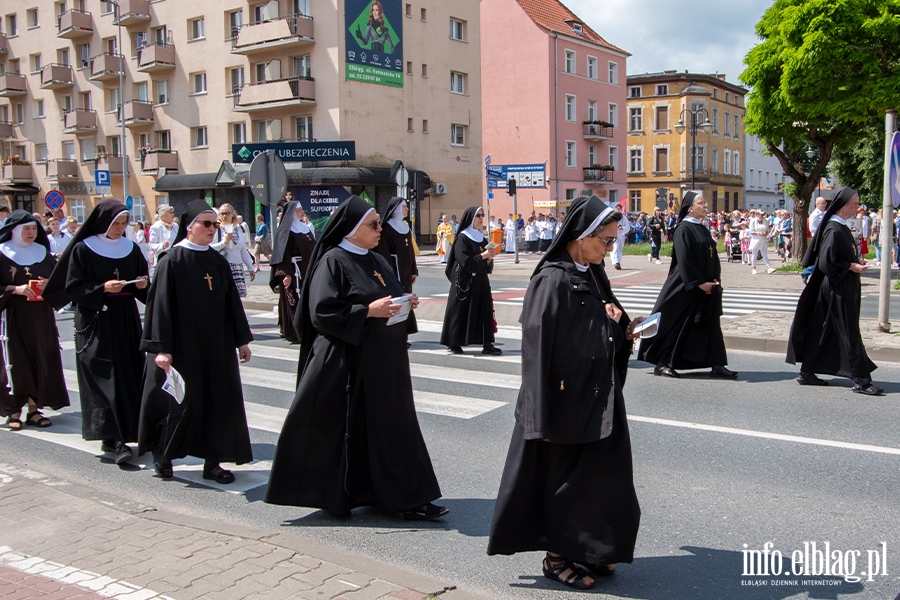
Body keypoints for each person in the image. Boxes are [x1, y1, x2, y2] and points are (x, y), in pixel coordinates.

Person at [488, 196, 642, 590]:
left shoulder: (593, 272)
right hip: (565, 400)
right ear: (581, 235)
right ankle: (556, 558)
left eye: (611, 242)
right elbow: (535, 347)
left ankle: (592, 549)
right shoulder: (551, 279)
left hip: (599, 395)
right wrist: (539, 411)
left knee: (603, 478)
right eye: (605, 241)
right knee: (565, 480)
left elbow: (607, 317)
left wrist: (624, 329)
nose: (609, 248)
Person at [266, 195, 446, 519]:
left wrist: (405, 301)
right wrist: (367, 312)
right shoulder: (332, 261)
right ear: (352, 229)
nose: (380, 229)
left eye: (379, 223)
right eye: (374, 224)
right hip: (348, 364)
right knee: (348, 431)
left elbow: (385, 295)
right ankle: (343, 496)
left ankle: (407, 496)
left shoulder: (376, 258)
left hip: (384, 363)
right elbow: (321, 311)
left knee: (394, 429)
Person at [138, 199, 254, 483]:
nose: (213, 229)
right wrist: (162, 350)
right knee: (180, 401)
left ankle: (212, 462)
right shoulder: (172, 260)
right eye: (207, 224)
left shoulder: (217, 260)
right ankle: (164, 454)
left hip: (216, 346)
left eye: (216, 224)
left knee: (217, 401)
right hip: (182, 347)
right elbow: (160, 306)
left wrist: (241, 340)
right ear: (189, 227)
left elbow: (232, 304)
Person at [44, 200, 149, 464]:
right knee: (104, 375)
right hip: (96, 318)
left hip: (126, 317)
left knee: (129, 371)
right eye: (116, 224)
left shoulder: (131, 248)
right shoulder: (83, 249)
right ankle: (112, 438)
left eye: (124, 223)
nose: (120, 228)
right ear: (103, 222)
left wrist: (144, 284)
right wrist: (102, 288)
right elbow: (73, 287)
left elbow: (142, 286)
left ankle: (130, 431)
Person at [786, 188, 882, 394]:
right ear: (842, 205)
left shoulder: (842, 226)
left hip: (842, 285)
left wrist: (855, 261)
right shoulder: (833, 228)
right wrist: (850, 266)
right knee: (849, 332)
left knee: (825, 329)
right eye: (854, 204)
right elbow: (826, 261)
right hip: (837, 287)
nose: (857, 208)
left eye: (858, 204)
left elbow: (839, 255)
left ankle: (807, 372)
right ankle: (861, 380)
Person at [637, 192, 737, 379]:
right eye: (701, 202)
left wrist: (715, 280)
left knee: (710, 324)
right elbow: (684, 259)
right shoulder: (683, 228)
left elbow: (712, 255)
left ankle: (716, 363)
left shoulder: (702, 228)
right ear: (690, 207)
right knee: (674, 323)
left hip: (706, 286)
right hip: (685, 286)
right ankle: (662, 362)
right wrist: (699, 283)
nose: (706, 205)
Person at [0, 211, 69, 430]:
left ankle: (34, 408)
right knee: (16, 363)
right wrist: (15, 289)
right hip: (11, 318)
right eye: (26, 229)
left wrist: (49, 284)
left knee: (40, 358)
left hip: (41, 318)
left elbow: (60, 281)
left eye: (33, 228)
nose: (31, 233)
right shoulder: (2, 254)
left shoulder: (42, 252)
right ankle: (14, 410)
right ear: (14, 231)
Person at [440, 206, 502, 355]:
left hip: (480, 280)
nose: (481, 218)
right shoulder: (462, 237)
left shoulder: (481, 237)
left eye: (482, 215)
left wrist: (488, 259)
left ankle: (487, 343)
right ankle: (453, 342)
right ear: (470, 218)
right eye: (478, 216)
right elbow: (464, 261)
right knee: (460, 312)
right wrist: (482, 256)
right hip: (464, 281)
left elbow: (485, 262)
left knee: (484, 310)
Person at [269, 201, 317, 343]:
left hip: (306, 270)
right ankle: (296, 332)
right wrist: (287, 274)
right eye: (298, 211)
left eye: (302, 210)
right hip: (294, 272)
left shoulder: (305, 228)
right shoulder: (286, 232)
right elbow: (283, 254)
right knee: (294, 301)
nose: (302, 213)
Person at [375, 197, 418, 335]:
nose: (406, 209)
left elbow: (411, 251)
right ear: (397, 209)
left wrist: (413, 270)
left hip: (405, 270)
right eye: (404, 207)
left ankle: (405, 331)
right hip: (394, 269)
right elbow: (383, 253)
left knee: (407, 299)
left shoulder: (405, 227)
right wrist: (390, 271)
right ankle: (397, 332)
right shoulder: (387, 228)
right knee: (398, 297)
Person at [212, 203, 256, 297]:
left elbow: (243, 250)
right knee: (226, 296)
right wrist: (224, 242)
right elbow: (210, 248)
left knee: (238, 297)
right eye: (221, 213)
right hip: (224, 266)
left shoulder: (238, 228)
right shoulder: (217, 229)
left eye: (226, 213)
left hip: (237, 266)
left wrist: (250, 268)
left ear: (232, 214)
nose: (224, 216)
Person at [748, 210, 776, 275]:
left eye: (763, 214)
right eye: (761, 214)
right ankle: (754, 268)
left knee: (764, 254)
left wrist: (765, 233)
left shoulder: (765, 221)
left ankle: (769, 268)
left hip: (763, 239)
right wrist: (758, 233)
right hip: (755, 239)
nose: (762, 216)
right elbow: (751, 231)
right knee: (754, 254)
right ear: (757, 214)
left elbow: (767, 230)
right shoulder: (753, 221)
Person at [609, 205, 631, 270]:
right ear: (615, 209)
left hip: (621, 234)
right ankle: (616, 262)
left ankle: (618, 261)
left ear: (621, 209)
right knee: (615, 247)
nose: (618, 210)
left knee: (619, 248)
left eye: (619, 209)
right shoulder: (612, 218)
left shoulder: (624, 218)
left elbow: (627, 227)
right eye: (617, 209)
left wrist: (622, 228)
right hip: (614, 234)